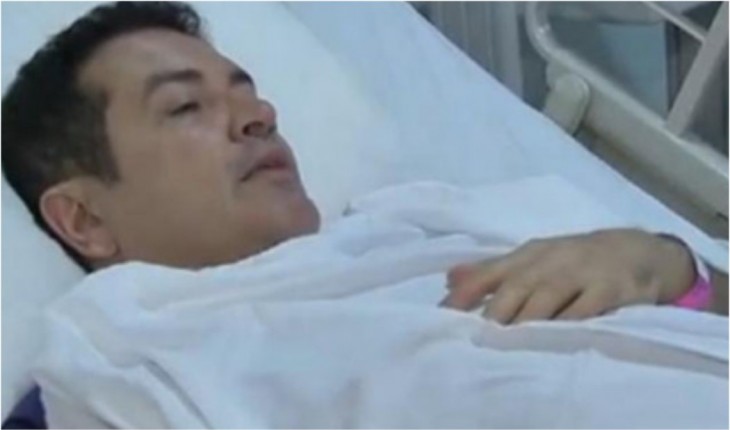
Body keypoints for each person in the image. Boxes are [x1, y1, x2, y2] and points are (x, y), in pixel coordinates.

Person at [1, 3, 726, 427]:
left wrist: (671, 269)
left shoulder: (429, 218)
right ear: (83, 220)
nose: (259, 114)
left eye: (246, 91)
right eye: (185, 106)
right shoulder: (122, 362)